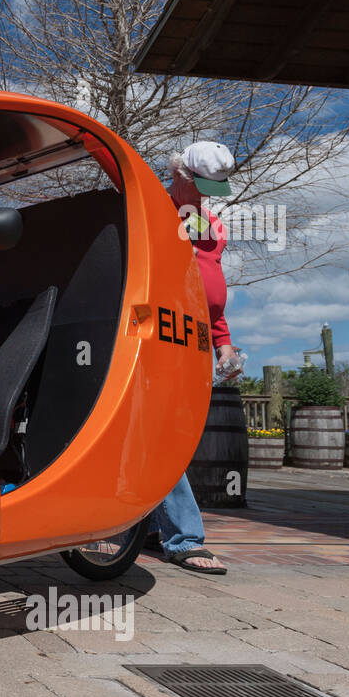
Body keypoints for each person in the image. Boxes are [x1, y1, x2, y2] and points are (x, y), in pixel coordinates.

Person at [150, 140, 242, 575]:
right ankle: (184, 538)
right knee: (162, 434)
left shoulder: (214, 226)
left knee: (178, 436)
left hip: (198, 341)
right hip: (157, 339)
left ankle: (147, 527)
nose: (206, 196)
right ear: (179, 175)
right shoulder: (151, 213)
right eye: (201, 186)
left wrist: (224, 341)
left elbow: (212, 294)